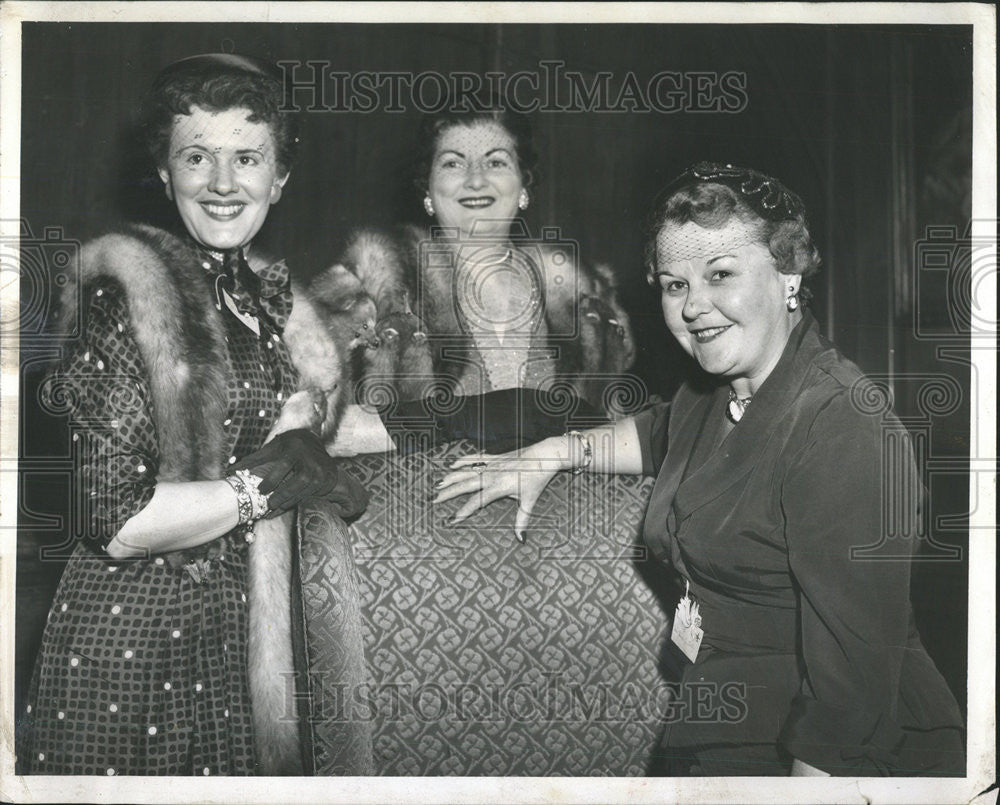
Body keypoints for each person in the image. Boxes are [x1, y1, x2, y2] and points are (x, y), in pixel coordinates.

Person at [435, 162, 965, 775]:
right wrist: (553, 452)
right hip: (725, 724)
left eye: (720, 275)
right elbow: (658, 435)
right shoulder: (714, 394)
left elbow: (850, 702)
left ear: (788, 275)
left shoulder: (843, 426)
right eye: (674, 284)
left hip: (837, 760)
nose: (694, 307)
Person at [21, 54, 370, 776]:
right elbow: (113, 523)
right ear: (164, 171)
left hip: (234, 632)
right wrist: (266, 483)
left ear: (279, 178)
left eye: (247, 158)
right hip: (134, 641)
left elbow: (303, 421)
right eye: (196, 156)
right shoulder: (127, 301)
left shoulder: (261, 300)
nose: (221, 183)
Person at [328, 102, 637, 457]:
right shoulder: (375, 283)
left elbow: (620, 438)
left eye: (496, 162)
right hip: (416, 504)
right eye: (453, 163)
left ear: (524, 184)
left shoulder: (584, 300)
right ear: (427, 190)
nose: (476, 179)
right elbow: (319, 427)